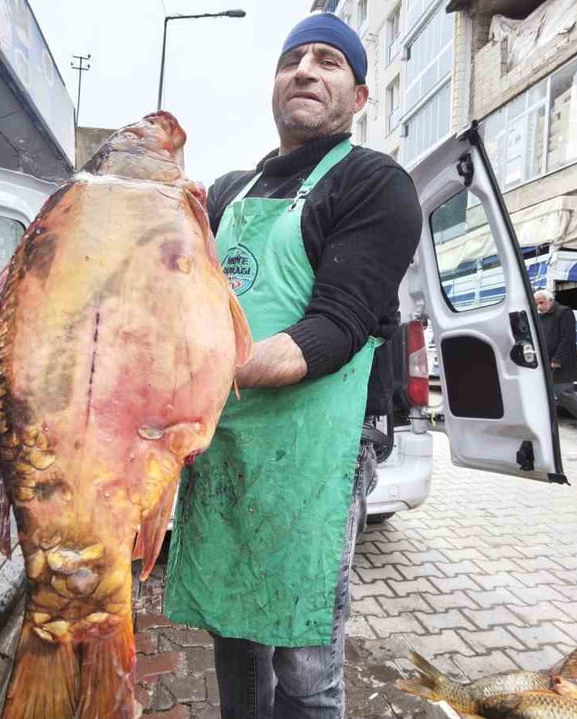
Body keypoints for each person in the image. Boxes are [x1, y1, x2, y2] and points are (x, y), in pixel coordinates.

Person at [162, 12, 422, 719]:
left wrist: (200, 375)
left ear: (360, 97)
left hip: (320, 445)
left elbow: (331, 330)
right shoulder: (227, 193)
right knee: (236, 625)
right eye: (292, 60)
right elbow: (181, 302)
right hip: (231, 439)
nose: (305, 70)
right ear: (274, 84)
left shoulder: (373, 184)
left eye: (329, 62)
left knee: (304, 656)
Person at [535, 289, 577, 435]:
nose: (539, 306)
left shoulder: (564, 312)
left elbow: (567, 338)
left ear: (550, 300)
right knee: (544, 392)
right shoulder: (541, 317)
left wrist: (558, 359)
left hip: (561, 361)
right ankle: (545, 423)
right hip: (546, 360)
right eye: (537, 304)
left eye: (541, 302)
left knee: (563, 392)